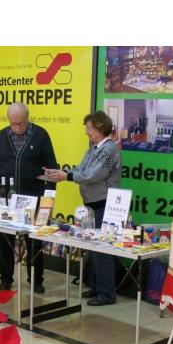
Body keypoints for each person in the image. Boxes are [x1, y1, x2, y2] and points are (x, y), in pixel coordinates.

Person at [45, 111, 122, 306]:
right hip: (91, 205)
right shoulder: (94, 148)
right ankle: (96, 286)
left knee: (102, 250)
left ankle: (106, 294)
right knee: (93, 248)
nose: (87, 132)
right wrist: (61, 173)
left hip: (103, 205)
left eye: (89, 128)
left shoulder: (110, 149)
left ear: (100, 127)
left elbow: (94, 174)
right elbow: (81, 169)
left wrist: (67, 176)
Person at [0, 102, 57, 293]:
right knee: (4, 240)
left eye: (21, 123)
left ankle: (36, 280)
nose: (17, 127)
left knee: (34, 242)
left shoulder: (41, 135)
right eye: (13, 123)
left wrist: (48, 198)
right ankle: (5, 279)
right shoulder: (1, 136)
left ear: (28, 118)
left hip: (33, 199)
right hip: (6, 200)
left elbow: (52, 167)